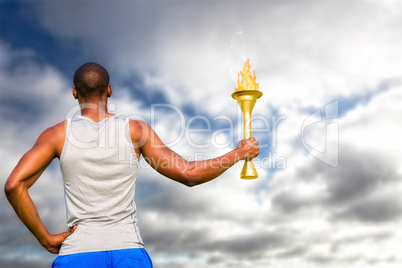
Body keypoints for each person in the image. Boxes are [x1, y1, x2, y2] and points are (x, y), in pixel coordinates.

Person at [4, 62, 260, 267]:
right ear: (109, 90)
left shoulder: (56, 134)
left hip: (77, 253)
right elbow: (189, 174)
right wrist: (238, 153)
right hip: (128, 253)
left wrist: (45, 239)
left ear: (74, 93)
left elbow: (14, 186)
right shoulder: (136, 130)